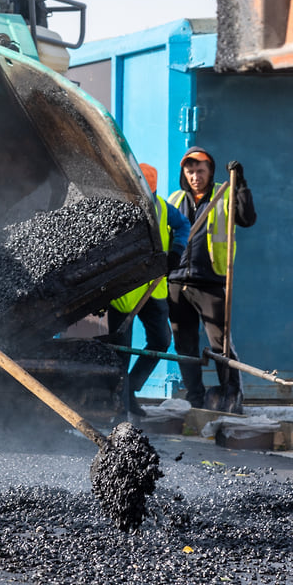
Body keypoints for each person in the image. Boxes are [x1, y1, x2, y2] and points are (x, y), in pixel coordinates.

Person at [167, 147, 256, 414]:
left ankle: (231, 394)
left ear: (210, 172)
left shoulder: (224, 194)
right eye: (190, 171)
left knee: (220, 342)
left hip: (211, 279)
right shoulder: (174, 199)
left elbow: (247, 218)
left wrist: (241, 186)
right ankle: (196, 397)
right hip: (177, 282)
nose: (195, 176)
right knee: (184, 344)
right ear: (184, 174)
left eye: (200, 171)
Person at [104, 163, 188, 417]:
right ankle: (118, 404)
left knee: (161, 341)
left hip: (154, 289)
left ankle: (130, 387)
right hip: (125, 293)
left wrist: (176, 251)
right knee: (121, 349)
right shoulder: (117, 208)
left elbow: (183, 225)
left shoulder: (162, 207)